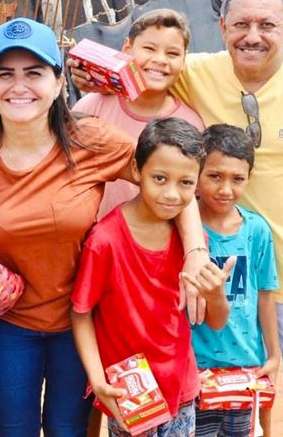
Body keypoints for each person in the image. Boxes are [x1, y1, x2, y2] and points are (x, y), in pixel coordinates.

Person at [70, 0, 283, 437]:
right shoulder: (197, 69)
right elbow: (152, 60)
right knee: (184, 388)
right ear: (222, 26)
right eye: (241, 24)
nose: (252, 35)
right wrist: (99, 70)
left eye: (267, 24)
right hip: (214, 267)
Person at [0, 18, 208, 437]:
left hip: (82, 323)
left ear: (59, 81)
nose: (20, 86)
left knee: (70, 431)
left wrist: (194, 253)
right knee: (14, 431)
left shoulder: (92, 139)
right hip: (10, 324)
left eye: (35, 72)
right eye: (5, 74)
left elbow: (169, 187)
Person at [71, 117, 234, 437]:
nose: (172, 194)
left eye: (186, 183)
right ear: (136, 171)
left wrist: (216, 295)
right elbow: (81, 314)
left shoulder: (193, 243)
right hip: (129, 392)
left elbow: (215, 321)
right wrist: (97, 378)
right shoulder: (105, 240)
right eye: (160, 178)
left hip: (181, 389)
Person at [191, 124, 280, 437]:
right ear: (197, 174)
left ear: (249, 179)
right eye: (215, 176)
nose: (225, 189)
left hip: (245, 367)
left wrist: (273, 354)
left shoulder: (257, 231)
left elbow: (266, 295)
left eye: (237, 179)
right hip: (194, 371)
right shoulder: (183, 231)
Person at [73, 9, 204, 218]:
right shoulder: (91, 108)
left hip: (161, 243)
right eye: (149, 48)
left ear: (184, 59)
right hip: (96, 241)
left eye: (172, 53)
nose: (160, 59)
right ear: (127, 48)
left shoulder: (191, 123)